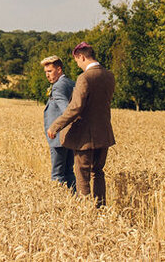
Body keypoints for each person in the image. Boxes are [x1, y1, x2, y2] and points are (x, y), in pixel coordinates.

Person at [46, 41, 115, 206]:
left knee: (82, 173)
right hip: (104, 132)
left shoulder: (85, 78)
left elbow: (75, 108)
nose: (78, 65)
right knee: (98, 172)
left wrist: (55, 126)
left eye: (77, 61)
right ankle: (100, 207)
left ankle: (86, 210)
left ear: (82, 57)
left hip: (85, 136)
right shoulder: (109, 75)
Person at [41, 55, 75, 189]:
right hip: (71, 136)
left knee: (57, 175)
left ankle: (60, 204)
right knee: (69, 171)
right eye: (45, 72)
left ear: (59, 69)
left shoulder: (58, 87)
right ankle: (76, 201)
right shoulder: (71, 83)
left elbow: (67, 110)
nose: (47, 75)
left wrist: (55, 128)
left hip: (58, 137)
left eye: (50, 71)